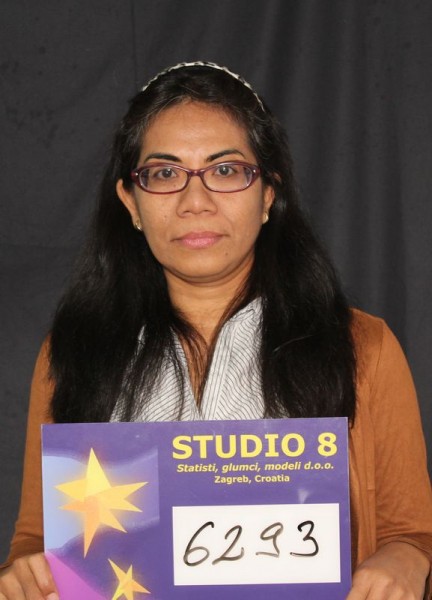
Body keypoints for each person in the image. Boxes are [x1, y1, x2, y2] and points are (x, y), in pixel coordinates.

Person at [0, 61, 431, 600]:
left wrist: (405, 558)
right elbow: (37, 539)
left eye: (225, 170)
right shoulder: (73, 352)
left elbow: (411, 531)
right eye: (164, 174)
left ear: (268, 194)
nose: (195, 201)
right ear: (131, 202)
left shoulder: (362, 347)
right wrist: (24, 573)